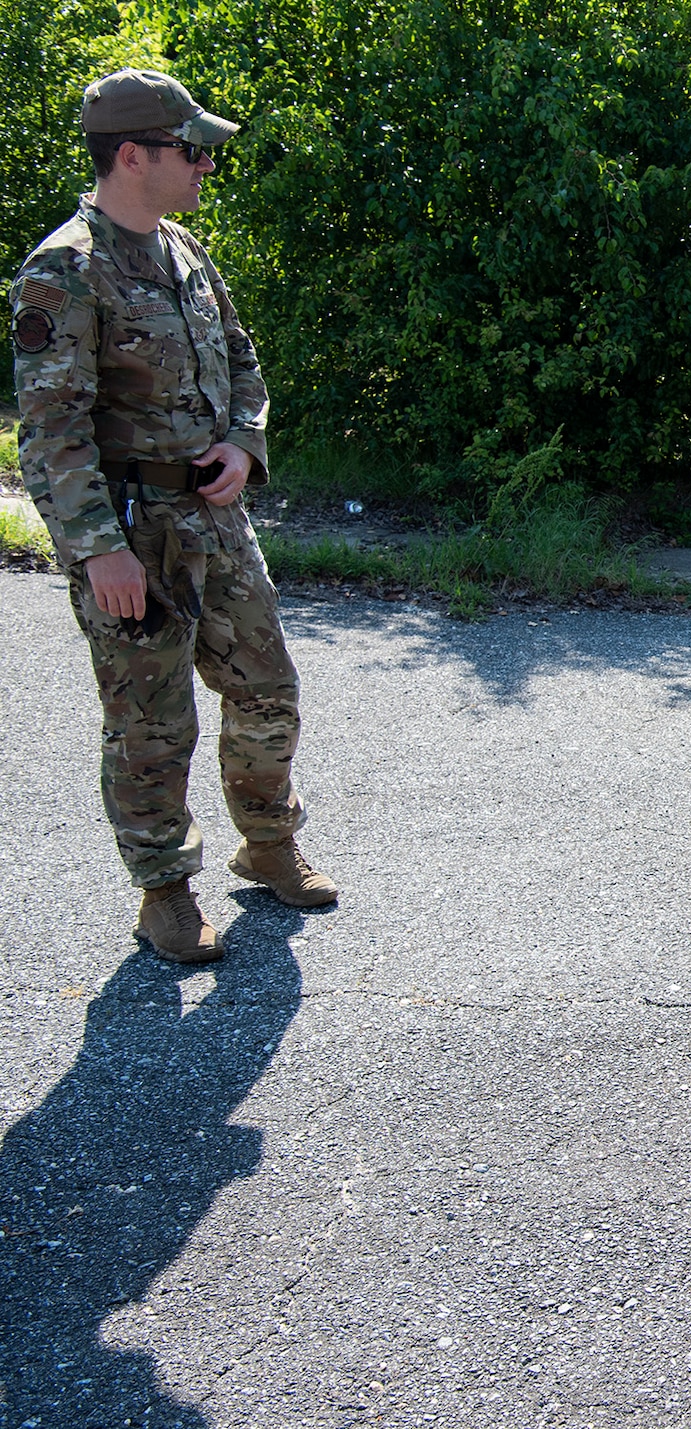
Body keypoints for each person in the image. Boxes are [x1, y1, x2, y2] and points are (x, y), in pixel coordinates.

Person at [11, 68, 338, 965]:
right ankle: (165, 891)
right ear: (131, 155)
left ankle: (267, 841)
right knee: (152, 719)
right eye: (189, 150)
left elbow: (241, 358)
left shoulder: (184, 250)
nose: (203, 165)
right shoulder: (64, 271)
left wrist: (243, 443)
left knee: (267, 684)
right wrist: (96, 553)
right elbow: (52, 436)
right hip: (129, 529)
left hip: (212, 517)